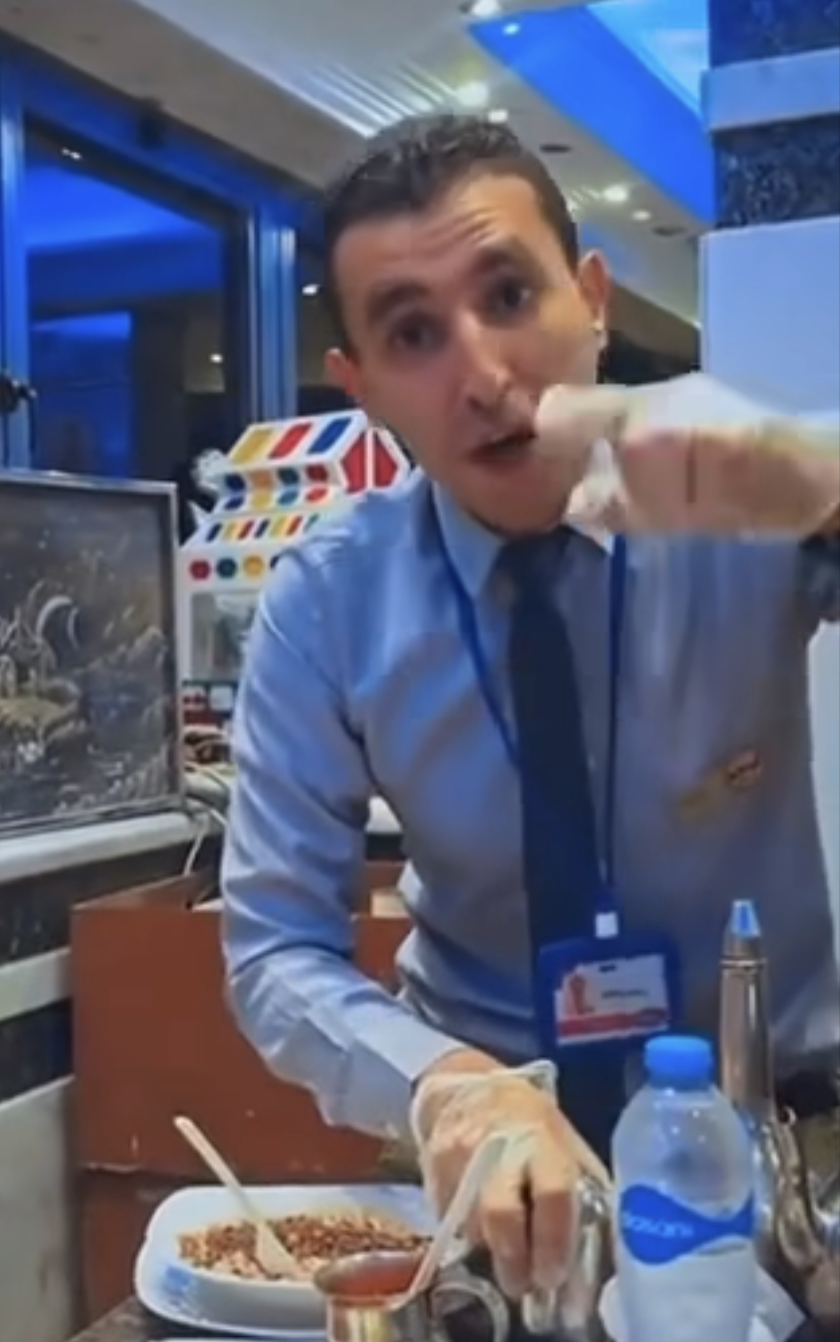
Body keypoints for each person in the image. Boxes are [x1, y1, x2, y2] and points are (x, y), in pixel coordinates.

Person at [221, 115, 839, 1304]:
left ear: (591, 299)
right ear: (362, 387)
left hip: (778, 1141)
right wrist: (449, 1087)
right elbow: (274, 950)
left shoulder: (729, 491)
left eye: (509, 296)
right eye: (413, 333)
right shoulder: (330, 600)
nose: (484, 377)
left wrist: (821, 480)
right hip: (494, 1166)